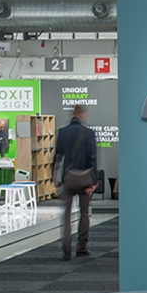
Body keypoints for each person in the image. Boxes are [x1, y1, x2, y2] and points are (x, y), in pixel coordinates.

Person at [54, 106, 99, 260]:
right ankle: (82, 246)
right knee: (84, 213)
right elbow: (92, 158)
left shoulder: (63, 132)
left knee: (66, 213)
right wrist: (94, 181)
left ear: (72, 115)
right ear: (83, 115)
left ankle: (66, 245)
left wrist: (55, 178)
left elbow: (57, 157)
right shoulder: (88, 133)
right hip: (85, 179)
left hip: (69, 178)